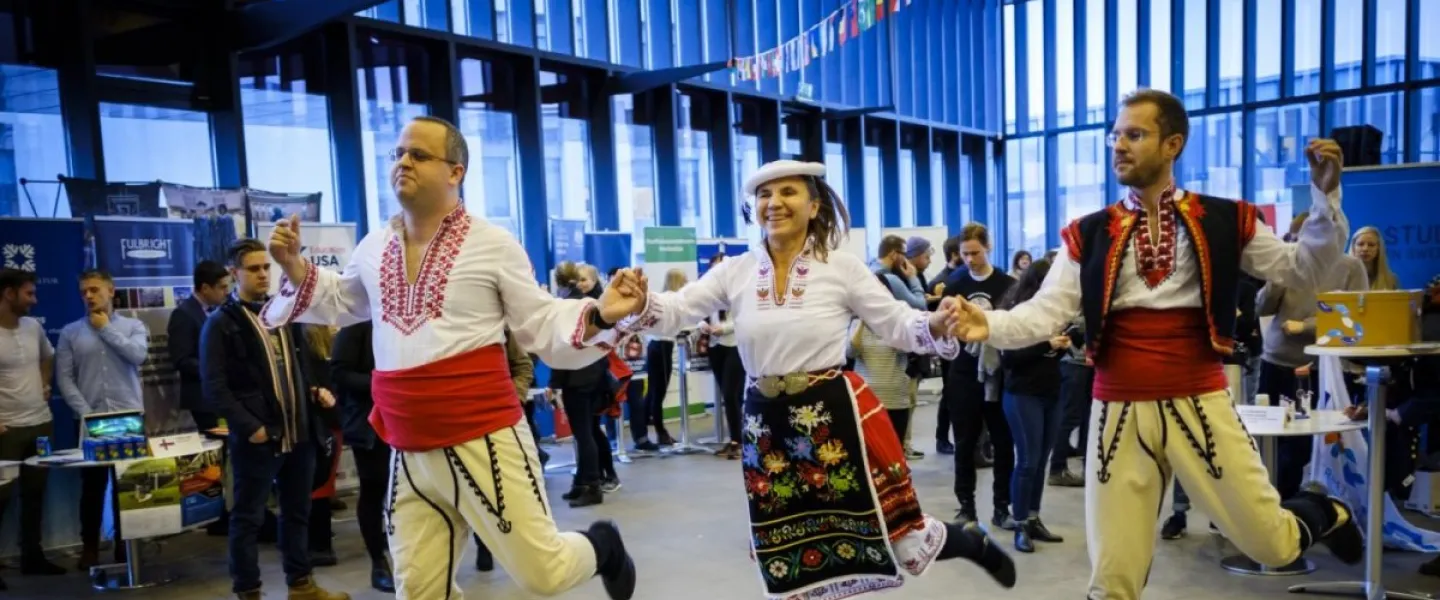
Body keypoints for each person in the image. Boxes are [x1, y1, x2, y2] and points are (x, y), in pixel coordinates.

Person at [947, 88, 1363, 599]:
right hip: (1116, 411)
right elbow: (1045, 312)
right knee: (1113, 577)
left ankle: (1328, 510)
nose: (1119, 145)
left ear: (1173, 144)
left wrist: (1325, 202)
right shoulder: (1088, 233)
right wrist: (986, 324)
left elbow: (1305, 269)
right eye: (1115, 135)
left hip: (1200, 403)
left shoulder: (1225, 218)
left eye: (1135, 134)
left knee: (1272, 545)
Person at [603, 159, 1015, 599]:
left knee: (902, 537)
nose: (774, 203)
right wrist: (640, 299)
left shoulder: (841, 267)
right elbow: (677, 310)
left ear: (814, 206)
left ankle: (971, 541)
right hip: (766, 425)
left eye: (787, 193)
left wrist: (934, 323)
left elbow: (895, 322)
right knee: (782, 554)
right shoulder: (736, 271)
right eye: (764, 195)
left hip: (831, 418)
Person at [261, 116, 635, 600]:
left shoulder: (492, 244)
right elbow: (341, 300)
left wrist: (601, 314)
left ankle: (601, 546)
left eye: (418, 155)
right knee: (418, 591)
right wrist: (294, 267)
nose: (402, 163)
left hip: (483, 438)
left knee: (545, 574)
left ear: (455, 172)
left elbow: (538, 320)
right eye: (397, 154)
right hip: (407, 447)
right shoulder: (374, 248)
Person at [203, 239, 346, 600]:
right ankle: (248, 590)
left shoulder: (283, 312)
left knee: (297, 512)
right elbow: (215, 388)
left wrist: (314, 390)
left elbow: (299, 366)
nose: (263, 274)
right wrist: (249, 427)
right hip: (259, 436)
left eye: (266, 267)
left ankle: (301, 584)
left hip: (298, 431)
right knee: (248, 518)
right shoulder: (221, 324)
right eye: (253, 269)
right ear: (234, 274)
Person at [56, 269, 149, 569]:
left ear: (111, 291)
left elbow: (137, 356)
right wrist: (86, 414)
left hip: (128, 418)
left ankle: (127, 545)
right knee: (92, 488)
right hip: (89, 419)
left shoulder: (133, 325)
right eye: (83, 291)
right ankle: (90, 548)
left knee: (127, 484)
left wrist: (106, 328)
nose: (88, 296)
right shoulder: (71, 332)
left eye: (94, 290)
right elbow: (65, 379)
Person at [940, 222, 1016, 527]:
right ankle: (966, 506)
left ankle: (1002, 508)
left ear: (988, 247)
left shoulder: (1007, 284)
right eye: (965, 253)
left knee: (1003, 441)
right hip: (963, 373)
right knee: (965, 442)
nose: (970, 259)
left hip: (998, 374)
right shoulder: (955, 283)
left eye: (975, 252)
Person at [0, 268, 66, 582]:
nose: (34, 300)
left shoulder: (31, 328)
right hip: (7, 431)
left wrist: (44, 383)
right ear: (8, 294)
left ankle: (33, 557)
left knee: (35, 495)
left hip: (41, 424)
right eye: (28, 293)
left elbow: (47, 357)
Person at [329, 320, 394, 593]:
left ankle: (405, 554)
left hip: (405, 416)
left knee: (404, 491)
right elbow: (340, 373)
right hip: (369, 423)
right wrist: (383, 383)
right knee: (374, 489)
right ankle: (378, 562)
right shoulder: (356, 323)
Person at [550, 262, 620, 507]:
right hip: (594, 375)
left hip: (576, 377)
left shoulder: (564, 307)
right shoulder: (591, 304)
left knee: (583, 434)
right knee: (588, 431)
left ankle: (590, 485)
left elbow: (561, 346)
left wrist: (554, 383)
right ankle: (582, 482)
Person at [858, 236, 925, 445]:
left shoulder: (863, 275)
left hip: (864, 370)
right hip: (892, 368)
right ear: (895, 255)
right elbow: (920, 306)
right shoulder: (892, 280)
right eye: (904, 255)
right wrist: (913, 279)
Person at [170, 260, 232, 432]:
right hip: (202, 398)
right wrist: (217, 369)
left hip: (221, 394)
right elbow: (181, 359)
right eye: (222, 287)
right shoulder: (183, 314)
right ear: (205, 288)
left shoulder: (219, 311)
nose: (227, 292)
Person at [300, 325, 343, 570]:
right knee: (322, 485)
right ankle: (320, 544)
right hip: (331, 419)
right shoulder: (326, 337)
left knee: (317, 486)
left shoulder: (306, 337)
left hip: (319, 421)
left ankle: (320, 546)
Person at [702, 253, 746, 460]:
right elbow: (699, 314)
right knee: (728, 396)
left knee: (731, 394)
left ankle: (738, 441)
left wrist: (725, 328)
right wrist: (702, 324)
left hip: (734, 344)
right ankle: (737, 439)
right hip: (715, 346)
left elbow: (743, 319)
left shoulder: (739, 291)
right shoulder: (707, 292)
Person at [637, 269, 687, 449]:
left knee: (652, 391)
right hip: (664, 345)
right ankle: (660, 432)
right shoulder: (676, 299)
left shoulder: (659, 298)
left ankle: (642, 431)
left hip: (654, 346)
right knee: (659, 393)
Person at [932, 236, 961, 456]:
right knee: (950, 393)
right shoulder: (942, 282)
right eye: (966, 253)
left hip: (967, 344)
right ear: (955, 254)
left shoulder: (959, 277)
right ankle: (942, 438)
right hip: (949, 345)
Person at [1349, 225, 1398, 291]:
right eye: (1360, 244)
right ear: (1353, 247)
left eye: (1371, 245)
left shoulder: (1390, 280)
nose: (1365, 249)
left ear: (1378, 248)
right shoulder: (1341, 277)